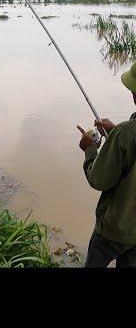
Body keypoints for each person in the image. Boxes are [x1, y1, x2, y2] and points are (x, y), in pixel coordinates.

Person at [76, 59, 136, 267]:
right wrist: (115, 133)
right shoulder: (123, 134)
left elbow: (98, 180)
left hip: (114, 230)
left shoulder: (124, 134)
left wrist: (90, 149)